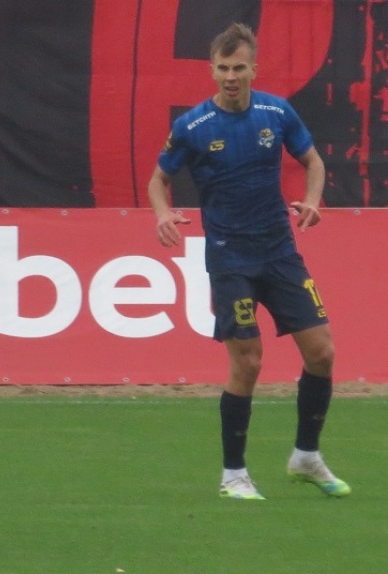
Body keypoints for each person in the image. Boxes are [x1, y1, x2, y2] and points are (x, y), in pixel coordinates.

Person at [148, 23, 348, 501]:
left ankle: (306, 456)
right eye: (223, 68)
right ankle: (233, 475)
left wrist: (312, 200)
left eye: (239, 67)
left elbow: (314, 162)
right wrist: (162, 213)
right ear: (212, 71)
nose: (231, 76)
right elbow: (159, 180)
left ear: (254, 69)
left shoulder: (276, 113)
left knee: (322, 352)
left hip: (280, 253)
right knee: (248, 361)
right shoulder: (192, 126)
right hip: (230, 259)